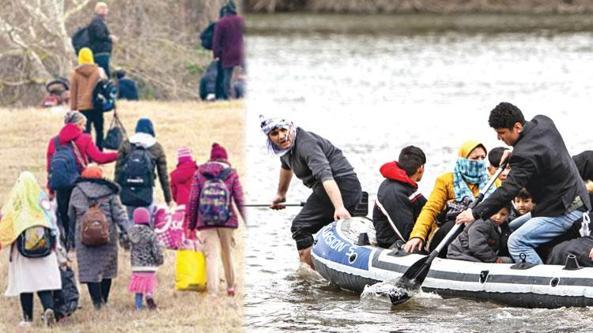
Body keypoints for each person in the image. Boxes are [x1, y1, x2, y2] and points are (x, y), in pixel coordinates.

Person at [456, 102, 591, 265]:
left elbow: (508, 190)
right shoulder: (544, 122)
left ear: (517, 127)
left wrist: (475, 213)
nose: (499, 138)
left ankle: (540, 281)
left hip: (564, 211)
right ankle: (514, 265)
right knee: (512, 226)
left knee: (516, 242)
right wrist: (514, 152)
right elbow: (538, 149)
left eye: (502, 133)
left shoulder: (524, 156)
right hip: (574, 198)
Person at [261, 117, 363, 267]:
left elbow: (326, 176)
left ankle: (310, 273)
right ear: (269, 137)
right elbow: (286, 166)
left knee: (300, 226)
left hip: (341, 186)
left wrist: (339, 207)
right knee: (321, 227)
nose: (281, 136)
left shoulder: (306, 145)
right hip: (326, 188)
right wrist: (281, 194)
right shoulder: (285, 148)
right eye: (274, 133)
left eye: (283, 130)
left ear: (290, 127)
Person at [403, 140, 493, 255]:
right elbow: (430, 209)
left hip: (479, 232)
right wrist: (417, 235)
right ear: (463, 159)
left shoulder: (492, 182)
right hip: (451, 229)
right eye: (475, 158)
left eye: (483, 158)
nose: (480, 162)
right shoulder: (446, 180)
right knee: (453, 226)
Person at [46, 111, 118, 250]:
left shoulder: (54, 141)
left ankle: (67, 243)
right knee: (80, 212)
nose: (84, 128)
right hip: (80, 182)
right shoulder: (84, 138)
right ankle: (82, 241)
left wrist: (51, 189)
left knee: (64, 213)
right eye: (83, 124)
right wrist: (118, 155)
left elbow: (50, 168)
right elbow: (99, 158)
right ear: (78, 124)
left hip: (61, 184)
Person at [1, 172, 61, 327]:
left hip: (23, 251)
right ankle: (48, 308)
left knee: (25, 284)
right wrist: (57, 245)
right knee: (43, 283)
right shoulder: (42, 199)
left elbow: (6, 223)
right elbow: (53, 222)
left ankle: (27, 318)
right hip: (44, 249)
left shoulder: (15, 202)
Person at [187, 143, 245, 296]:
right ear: (225, 159)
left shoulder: (199, 173)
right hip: (227, 220)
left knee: (211, 256)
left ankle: (213, 292)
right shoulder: (231, 173)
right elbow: (239, 198)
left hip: (205, 222)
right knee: (227, 253)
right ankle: (230, 287)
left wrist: (191, 225)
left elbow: (193, 200)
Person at [68, 165, 129, 310]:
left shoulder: (77, 191)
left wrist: (71, 234)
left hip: (84, 236)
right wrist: (127, 230)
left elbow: (70, 214)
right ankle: (104, 300)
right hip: (107, 235)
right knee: (107, 269)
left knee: (90, 270)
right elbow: (119, 214)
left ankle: (97, 303)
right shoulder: (110, 192)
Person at [115, 118, 172, 222]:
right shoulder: (156, 147)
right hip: (147, 189)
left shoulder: (126, 144)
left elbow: (118, 170)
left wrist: (115, 192)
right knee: (146, 219)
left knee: (131, 219)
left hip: (129, 189)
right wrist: (168, 198)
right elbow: (163, 175)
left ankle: (132, 237)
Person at [372, 146, 427, 248]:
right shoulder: (394, 193)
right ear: (420, 169)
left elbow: (426, 207)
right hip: (393, 244)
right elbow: (406, 233)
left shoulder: (406, 186)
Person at [70, 47, 108, 150]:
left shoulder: (75, 73)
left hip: (83, 107)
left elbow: (73, 93)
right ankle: (99, 150)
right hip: (97, 105)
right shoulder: (99, 71)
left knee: (85, 131)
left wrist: (73, 110)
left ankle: (87, 151)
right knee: (99, 130)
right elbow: (106, 87)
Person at [448, 204, 513, 263]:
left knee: (508, 260)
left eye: (503, 214)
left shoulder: (502, 227)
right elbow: (476, 245)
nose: (498, 217)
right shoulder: (483, 223)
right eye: (495, 212)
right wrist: (493, 259)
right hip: (460, 254)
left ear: (508, 216)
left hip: (475, 255)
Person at [128, 207, 163, 310]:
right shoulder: (151, 234)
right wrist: (159, 260)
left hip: (136, 266)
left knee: (138, 288)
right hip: (149, 266)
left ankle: (138, 306)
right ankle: (149, 295)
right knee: (148, 284)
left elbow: (125, 244)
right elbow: (156, 250)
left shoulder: (131, 233)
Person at [212, 1, 244, 100]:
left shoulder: (221, 23)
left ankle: (228, 96)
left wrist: (216, 54)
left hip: (227, 53)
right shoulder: (241, 20)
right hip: (241, 51)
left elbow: (216, 41)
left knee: (227, 77)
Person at [88, 2, 117, 78]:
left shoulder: (100, 21)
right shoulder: (96, 21)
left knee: (105, 73)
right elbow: (99, 35)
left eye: (105, 8)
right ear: (97, 10)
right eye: (101, 8)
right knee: (104, 74)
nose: (104, 10)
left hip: (102, 52)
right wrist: (110, 38)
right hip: (100, 52)